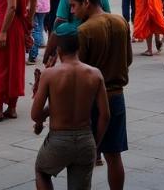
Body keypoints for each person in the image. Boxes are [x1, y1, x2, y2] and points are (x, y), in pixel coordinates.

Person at [70, 0, 132, 190]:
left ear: (86, 3)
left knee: (84, 154)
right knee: (114, 155)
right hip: (116, 96)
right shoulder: (121, 22)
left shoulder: (84, 30)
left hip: (91, 98)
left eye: (74, 6)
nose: (73, 10)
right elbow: (128, 59)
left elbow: (79, 70)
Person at [31, 29, 110, 190]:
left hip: (58, 140)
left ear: (59, 50)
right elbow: (105, 115)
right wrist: (95, 144)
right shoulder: (95, 74)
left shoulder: (50, 74)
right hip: (85, 138)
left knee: (41, 171)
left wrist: (43, 94)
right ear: (78, 48)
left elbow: (35, 114)